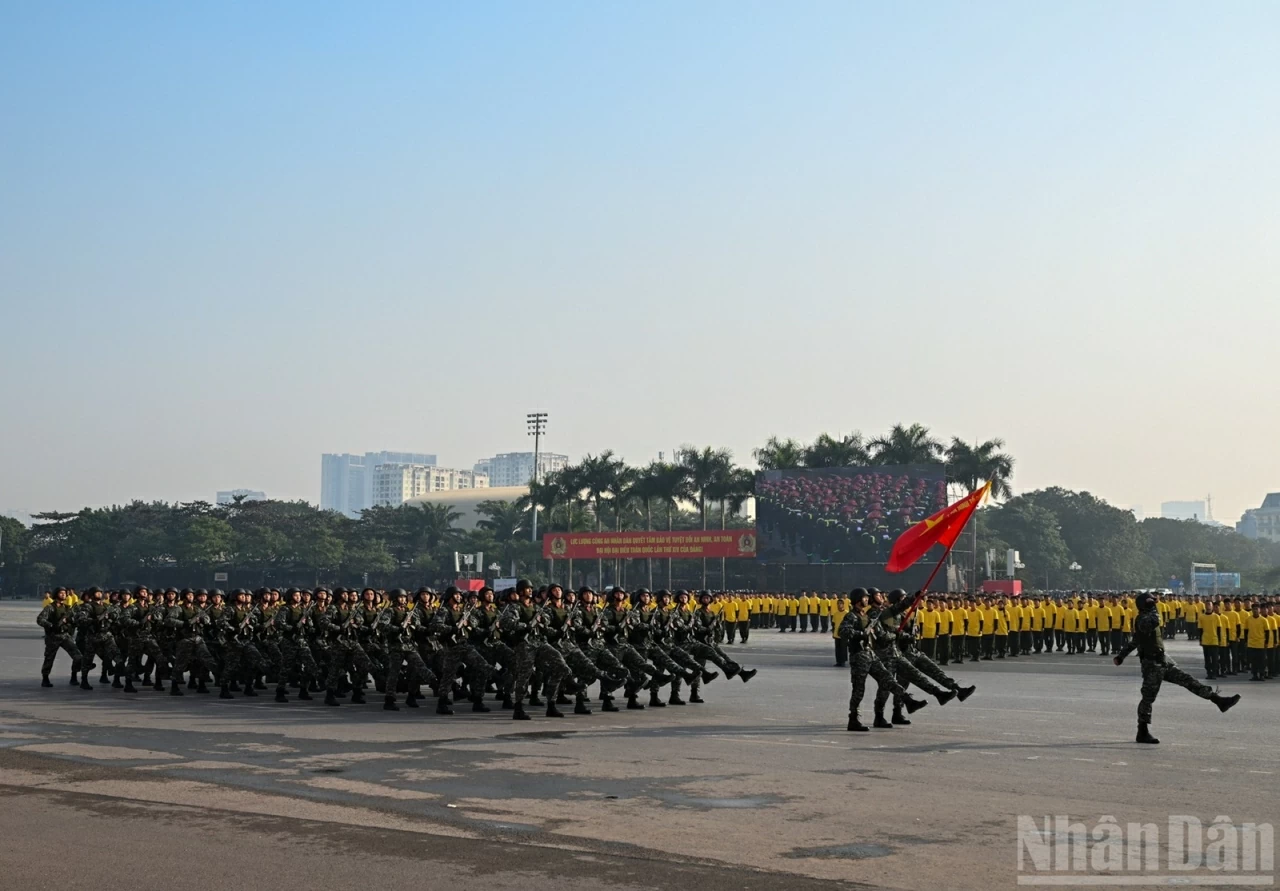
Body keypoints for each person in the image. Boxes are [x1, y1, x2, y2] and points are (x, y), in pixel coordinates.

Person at [1113, 591, 1239, 744]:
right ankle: (1142, 731)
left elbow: (1135, 641)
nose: (1154, 603)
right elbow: (1153, 623)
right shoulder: (1143, 619)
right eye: (1151, 602)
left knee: (1187, 680)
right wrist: (1153, 608)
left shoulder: (1148, 616)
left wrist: (1121, 656)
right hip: (1152, 665)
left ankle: (1218, 700)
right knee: (1148, 698)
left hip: (1162, 662)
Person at [36, 587, 83, 687]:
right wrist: (52, 625)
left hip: (65, 635)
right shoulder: (50, 607)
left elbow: (74, 620)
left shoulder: (67, 608)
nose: (63, 595)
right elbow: (40, 619)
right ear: (56, 594)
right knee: (49, 658)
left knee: (78, 656)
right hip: (53, 637)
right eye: (61, 593)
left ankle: (74, 677)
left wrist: (70, 621)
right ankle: (45, 678)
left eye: (65, 593)